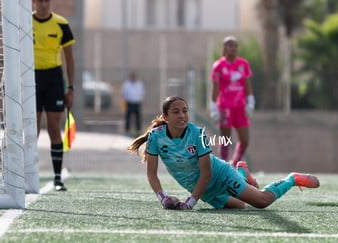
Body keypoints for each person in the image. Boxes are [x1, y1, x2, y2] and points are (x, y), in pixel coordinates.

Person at [127, 96, 319, 210]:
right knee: (241, 206)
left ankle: (292, 179)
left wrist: (190, 202)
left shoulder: (198, 133)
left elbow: (207, 173)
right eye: (176, 112)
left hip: (218, 175)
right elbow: (151, 173)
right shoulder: (155, 137)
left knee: (261, 202)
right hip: (205, 191)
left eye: (185, 111)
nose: (182, 115)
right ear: (165, 117)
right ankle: (242, 172)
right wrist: (163, 198)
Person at [32, 0, 76, 191]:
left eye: (46, 0)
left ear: (50, 0)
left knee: (53, 128)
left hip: (53, 79)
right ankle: (28, 175)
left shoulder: (61, 24)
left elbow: (70, 59)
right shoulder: (25, 22)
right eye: (39, 0)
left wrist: (71, 88)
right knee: (32, 130)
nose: (43, 4)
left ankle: (57, 177)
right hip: (30, 78)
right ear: (34, 1)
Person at [210, 36, 255, 169]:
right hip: (225, 106)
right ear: (225, 48)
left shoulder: (243, 64)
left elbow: (247, 83)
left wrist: (250, 101)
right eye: (231, 45)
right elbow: (215, 87)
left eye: (236, 45)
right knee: (226, 138)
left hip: (240, 107)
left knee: (245, 139)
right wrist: (213, 106)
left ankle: (234, 163)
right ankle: (224, 165)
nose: (234, 48)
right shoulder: (219, 65)